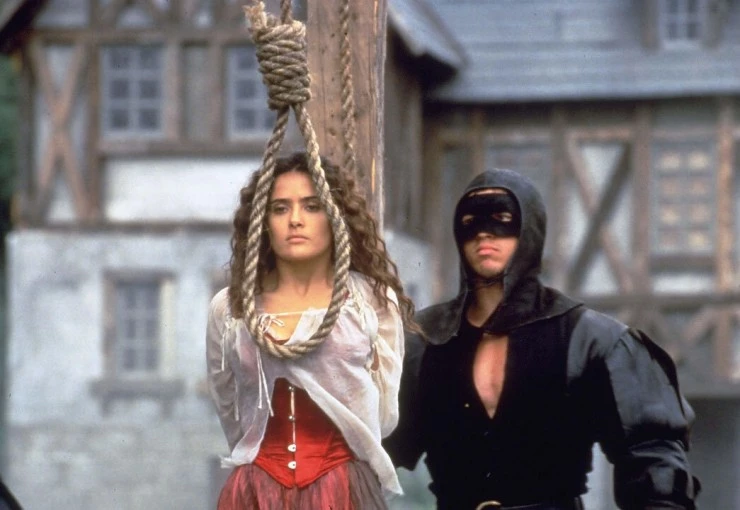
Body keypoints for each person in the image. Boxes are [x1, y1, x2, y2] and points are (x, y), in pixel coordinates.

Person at [383, 168, 700, 510]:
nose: (484, 233)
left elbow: (653, 456)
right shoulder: (423, 341)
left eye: (502, 219)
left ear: (529, 229)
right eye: (471, 221)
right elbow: (373, 448)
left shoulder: (588, 338)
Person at [206, 151, 417, 509]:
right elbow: (229, 407)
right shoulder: (231, 307)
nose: (296, 220)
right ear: (262, 222)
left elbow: (384, 411)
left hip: (343, 490)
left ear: (335, 216)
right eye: (280, 208)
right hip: (256, 491)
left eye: (312, 206)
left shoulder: (371, 300)